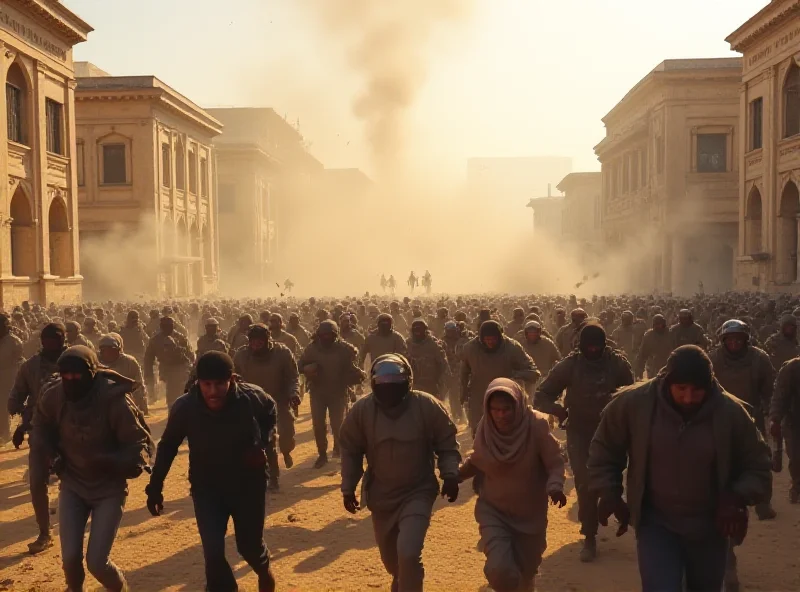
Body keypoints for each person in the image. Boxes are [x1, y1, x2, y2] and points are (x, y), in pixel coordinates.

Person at [588, 345, 772, 592]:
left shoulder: (730, 412)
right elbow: (604, 449)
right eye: (681, 389)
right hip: (656, 524)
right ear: (667, 381)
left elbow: (758, 465)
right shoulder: (635, 404)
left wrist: (737, 496)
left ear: (709, 385)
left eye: (697, 391)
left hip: (710, 527)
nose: (688, 398)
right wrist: (610, 492)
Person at [145, 352, 277, 592]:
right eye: (207, 384)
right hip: (207, 488)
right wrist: (155, 487)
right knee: (213, 554)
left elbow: (270, 412)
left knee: (249, 547)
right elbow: (168, 446)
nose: (213, 391)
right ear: (198, 383)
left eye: (219, 384)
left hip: (248, 484)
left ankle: (264, 570)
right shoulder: (185, 407)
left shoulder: (252, 398)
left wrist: (261, 444)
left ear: (232, 380)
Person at [31, 346, 154, 592]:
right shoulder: (54, 396)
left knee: (97, 563)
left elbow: (138, 445)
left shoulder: (114, 399)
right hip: (73, 485)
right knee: (70, 560)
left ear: (92, 373)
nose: (71, 381)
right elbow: (41, 427)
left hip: (109, 489)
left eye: (77, 376)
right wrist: (52, 455)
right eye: (65, 376)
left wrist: (111, 461)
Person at [339, 354, 461, 592]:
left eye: (395, 380)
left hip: (418, 491)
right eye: (383, 381)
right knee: (393, 562)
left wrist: (450, 475)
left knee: (408, 552)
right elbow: (350, 450)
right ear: (374, 382)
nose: (389, 386)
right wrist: (348, 487)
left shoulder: (426, 405)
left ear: (408, 381)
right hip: (381, 495)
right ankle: (402, 579)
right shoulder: (362, 410)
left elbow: (447, 443)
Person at [534, 321, 634, 562]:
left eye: (596, 346)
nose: (592, 351)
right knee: (585, 482)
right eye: (588, 347)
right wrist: (559, 410)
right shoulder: (569, 365)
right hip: (580, 432)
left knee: (610, 479)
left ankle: (614, 508)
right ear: (581, 346)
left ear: (604, 345)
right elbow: (542, 395)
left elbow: (634, 396)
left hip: (611, 432)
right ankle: (589, 535)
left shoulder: (617, 365)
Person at [459, 378, 566, 592]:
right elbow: (477, 461)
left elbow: (554, 463)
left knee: (527, 573)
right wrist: (454, 477)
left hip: (530, 514)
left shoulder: (536, 425)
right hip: (493, 510)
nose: (500, 415)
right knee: (500, 569)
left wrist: (555, 486)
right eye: (495, 409)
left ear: (517, 404)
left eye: (506, 409)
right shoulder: (486, 426)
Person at [7, 322, 68, 554]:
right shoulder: (30, 367)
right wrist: (23, 416)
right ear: (41, 341)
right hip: (40, 430)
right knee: (37, 482)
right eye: (48, 339)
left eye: (56, 339)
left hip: (73, 430)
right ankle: (44, 532)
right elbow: (16, 395)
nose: (52, 344)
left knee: (75, 480)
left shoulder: (77, 361)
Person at [708, 319, 776, 521]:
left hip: (752, 417)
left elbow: (770, 390)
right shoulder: (714, 359)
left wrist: (772, 415)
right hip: (721, 417)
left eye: (739, 340)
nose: (735, 344)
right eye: (730, 340)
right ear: (723, 340)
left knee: (760, 461)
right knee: (717, 460)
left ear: (746, 340)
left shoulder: (759, 359)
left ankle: (763, 503)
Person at [234, 323, 301, 490]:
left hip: (279, 400)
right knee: (266, 440)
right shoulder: (241, 355)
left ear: (267, 340)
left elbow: (293, 376)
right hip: (253, 403)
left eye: (259, 341)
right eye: (253, 341)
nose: (256, 345)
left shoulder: (282, 353)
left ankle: (285, 451)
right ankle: (272, 477)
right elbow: (234, 376)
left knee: (286, 436)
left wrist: (294, 393)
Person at [298, 320, 365, 468]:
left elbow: (354, 359)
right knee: (318, 425)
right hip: (318, 392)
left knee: (338, 425)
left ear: (335, 335)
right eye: (324, 335)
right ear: (319, 335)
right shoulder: (312, 349)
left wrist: (356, 373)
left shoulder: (343, 348)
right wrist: (309, 368)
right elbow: (300, 365)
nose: (327, 337)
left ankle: (338, 448)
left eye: (330, 335)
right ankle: (322, 454)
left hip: (339, 392)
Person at [460, 320, 540, 436]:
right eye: (487, 339)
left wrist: (515, 375)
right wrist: (463, 392)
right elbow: (464, 371)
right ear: (481, 338)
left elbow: (533, 371)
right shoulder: (470, 349)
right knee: (479, 432)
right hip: (479, 396)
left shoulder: (512, 347)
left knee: (506, 431)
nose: (490, 342)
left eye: (493, 339)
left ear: (500, 336)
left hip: (505, 397)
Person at [143, 316, 195, 408]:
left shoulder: (180, 338)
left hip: (181, 368)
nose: (167, 328)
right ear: (161, 326)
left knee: (180, 393)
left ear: (173, 326)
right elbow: (148, 359)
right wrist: (149, 375)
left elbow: (190, 355)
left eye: (169, 326)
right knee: (172, 395)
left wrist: (191, 369)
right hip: (166, 369)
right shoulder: (155, 340)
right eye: (165, 326)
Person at [771, 355, 800, 503]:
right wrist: (775, 419)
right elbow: (780, 396)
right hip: (794, 421)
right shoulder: (792, 368)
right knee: (796, 458)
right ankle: (797, 486)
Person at [98, 333, 148, 414]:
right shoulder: (94, 362)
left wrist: (141, 405)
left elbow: (138, 385)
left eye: (112, 350)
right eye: (105, 350)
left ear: (119, 350)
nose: (109, 353)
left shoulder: (129, 362)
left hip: (125, 402)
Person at [405, 319, 449, 399]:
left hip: (430, 385)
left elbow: (443, 366)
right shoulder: (407, 344)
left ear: (425, 331)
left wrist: (442, 386)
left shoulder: (434, 345)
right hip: (412, 385)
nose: (417, 332)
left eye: (420, 330)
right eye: (415, 330)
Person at [0, 314, 24, 443]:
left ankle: (6, 433)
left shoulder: (13, 341)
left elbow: (17, 359)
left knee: (5, 404)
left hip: (8, 376)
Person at [634, 314, 672, 380]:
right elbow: (642, 355)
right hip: (653, 368)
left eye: (660, 324)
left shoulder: (671, 334)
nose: (659, 326)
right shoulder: (649, 336)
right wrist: (639, 371)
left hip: (669, 367)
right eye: (657, 324)